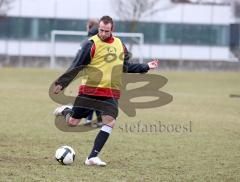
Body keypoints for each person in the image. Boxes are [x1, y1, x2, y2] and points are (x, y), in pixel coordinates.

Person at [53, 15, 158, 166]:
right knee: (72, 122)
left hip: (110, 92)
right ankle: (66, 110)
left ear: (112, 30)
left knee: (110, 121)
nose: (102, 33)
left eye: (106, 31)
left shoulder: (120, 45)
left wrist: (146, 66)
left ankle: (92, 157)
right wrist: (62, 83)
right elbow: (76, 65)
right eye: (101, 30)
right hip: (89, 90)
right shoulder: (91, 44)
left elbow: (126, 66)